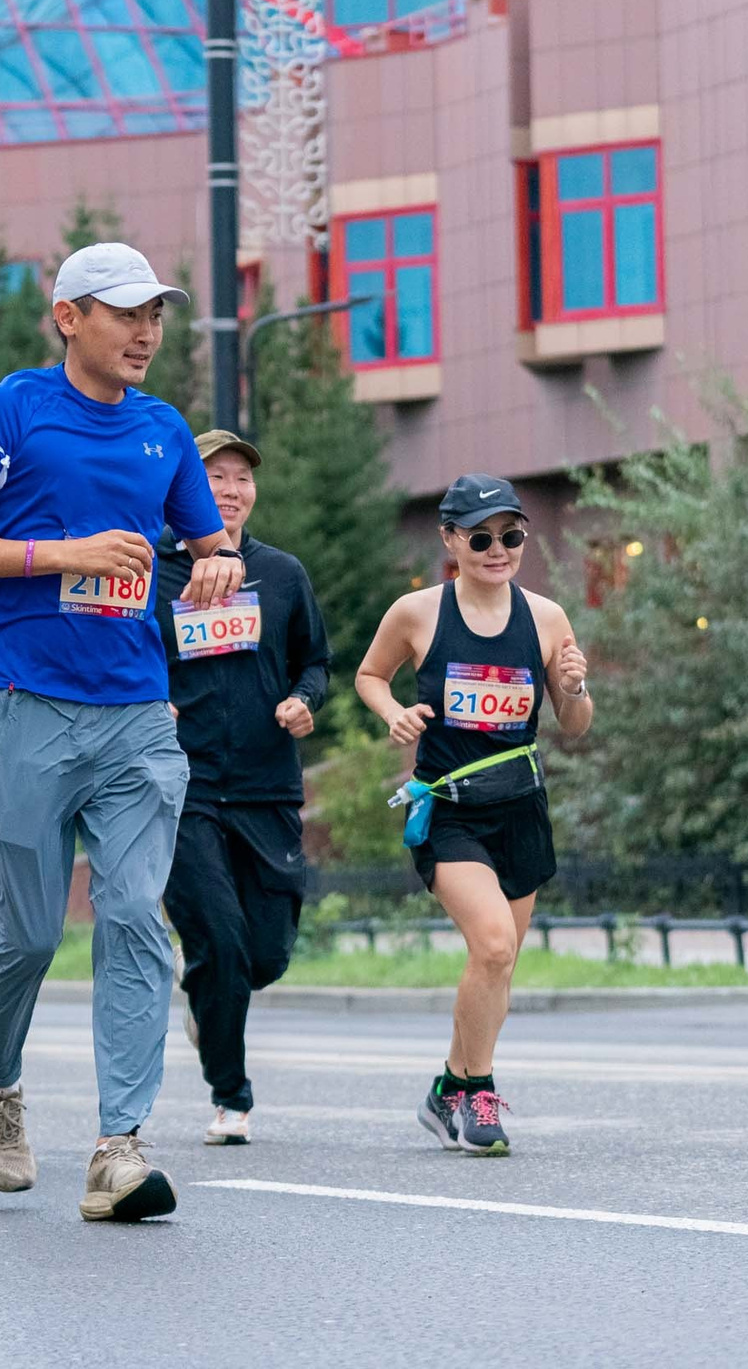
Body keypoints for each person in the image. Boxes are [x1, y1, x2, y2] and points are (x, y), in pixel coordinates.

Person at [0, 241, 243, 1223]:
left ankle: (118, 1150)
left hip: (137, 712)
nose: (146, 332)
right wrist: (61, 554)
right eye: (124, 312)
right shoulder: (7, 412)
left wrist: (216, 564)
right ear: (68, 317)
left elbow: (205, 544)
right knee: (24, 931)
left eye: (157, 315)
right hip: (21, 701)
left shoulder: (164, 429)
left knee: (136, 915)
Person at [354, 473, 592, 1158]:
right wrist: (394, 712)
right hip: (450, 812)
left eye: (511, 535)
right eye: (481, 537)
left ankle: (446, 1090)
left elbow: (574, 723)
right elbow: (371, 675)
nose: (498, 549)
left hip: (520, 808)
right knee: (491, 943)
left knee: (499, 964)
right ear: (451, 539)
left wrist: (573, 688)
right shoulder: (418, 613)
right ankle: (479, 1093)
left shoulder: (546, 618)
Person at [152, 431, 331, 1147]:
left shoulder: (282, 574)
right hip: (182, 785)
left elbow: (314, 662)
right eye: (213, 477)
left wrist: (302, 700)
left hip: (266, 786)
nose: (229, 489)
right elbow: (120, 655)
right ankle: (231, 1095)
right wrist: (148, 701)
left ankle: (209, 997)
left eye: (240, 479)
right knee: (220, 941)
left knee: (265, 954)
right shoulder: (155, 575)